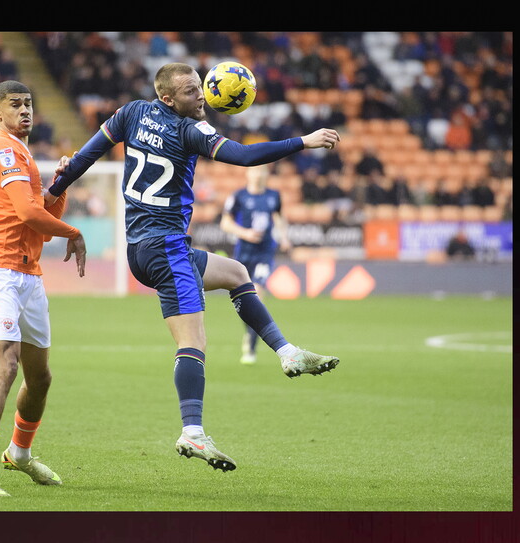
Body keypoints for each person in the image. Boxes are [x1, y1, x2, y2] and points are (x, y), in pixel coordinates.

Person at [44, 62, 341, 472]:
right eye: (189, 91)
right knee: (193, 344)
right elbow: (243, 156)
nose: (201, 96)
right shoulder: (190, 130)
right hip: (168, 250)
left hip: (142, 249)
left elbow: (84, 157)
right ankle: (193, 432)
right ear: (168, 98)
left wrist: (51, 193)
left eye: (200, 87)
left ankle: (287, 353)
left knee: (236, 273)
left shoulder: (130, 113)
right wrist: (302, 142)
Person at [0, 80, 87, 497]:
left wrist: (60, 185)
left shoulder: (24, 152)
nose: (25, 111)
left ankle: (19, 453)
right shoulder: (3, 148)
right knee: (5, 366)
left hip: (28, 273)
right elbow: (28, 212)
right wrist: (74, 231)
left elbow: (40, 216)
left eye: (29, 104)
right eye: (15, 105)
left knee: (41, 377)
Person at [219, 164, 293, 364]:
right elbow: (225, 223)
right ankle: (249, 333)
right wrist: (245, 234)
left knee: (258, 293)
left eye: (262, 171)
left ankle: (251, 344)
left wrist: (284, 237)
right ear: (248, 173)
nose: (258, 175)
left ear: (267, 174)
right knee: (245, 298)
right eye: (255, 171)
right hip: (243, 254)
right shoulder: (239, 196)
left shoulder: (273, 196)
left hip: (264, 253)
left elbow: (279, 217)